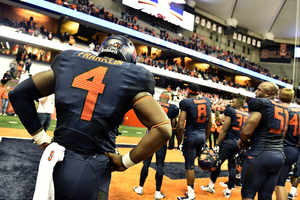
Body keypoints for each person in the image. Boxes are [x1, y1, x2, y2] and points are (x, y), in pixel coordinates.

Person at [8, 35, 172, 200]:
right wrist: (125, 162)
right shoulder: (135, 75)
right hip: (92, 165)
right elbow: (163, 128)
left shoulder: (69, 59)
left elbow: (18, 94)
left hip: (53, 159)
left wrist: (41, 137)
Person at [238, 82, 289, 200]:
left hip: (260, 153)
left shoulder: (260, 103)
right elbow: (283, 132)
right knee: (266, 196)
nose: (256, 92)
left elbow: (247, 130)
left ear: (268, 94)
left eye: (259, 89)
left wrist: (242, 139)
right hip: (279, 154)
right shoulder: (284, 108)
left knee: (248, 194)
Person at [133, 91, 179, 200]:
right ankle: (157, 193)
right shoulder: (173, 108)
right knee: (160, 165)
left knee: (146, 163)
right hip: (162, 138)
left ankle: (140, 188)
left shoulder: (153, 102)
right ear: (169, 98)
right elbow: (173, 126)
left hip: (151, 135)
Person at [201, 95, 248, 198]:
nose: (231, 102)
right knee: (232, 166)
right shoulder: (246, 114)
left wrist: (217, 144)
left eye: (234, 101)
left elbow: (224, 129)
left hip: (228, 141)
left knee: (216, 163)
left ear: (239, 104)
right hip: (239, 143)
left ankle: (211, 186)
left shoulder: (231, 111)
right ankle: (228, 190)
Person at [177, 83, 212, 200]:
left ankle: (191, 194)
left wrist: (179, 142)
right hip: (202, 136)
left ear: (188, 91)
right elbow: (210, 123)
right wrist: (206, 139)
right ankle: (195, 189)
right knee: (194, 164)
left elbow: (181, 125)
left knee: (189, 166)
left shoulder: (186, 103)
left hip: (191, 137)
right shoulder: (207, 102)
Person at [275, 88, 299, 200]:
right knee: (280, 183)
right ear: (292, 98)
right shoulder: (298, 110)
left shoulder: (280, 109)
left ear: (278, 96)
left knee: (279, 185)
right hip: (294, 149)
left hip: (280, 149)